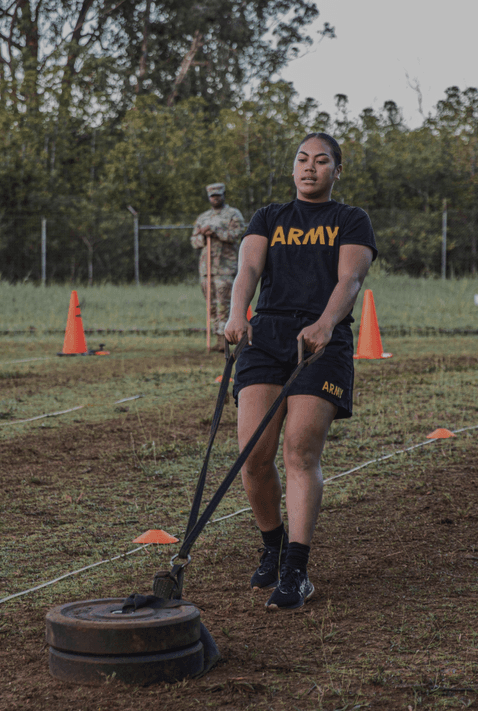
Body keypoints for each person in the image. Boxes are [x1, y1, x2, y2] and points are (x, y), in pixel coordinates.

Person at [224, 133, 377, 611]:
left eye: (322, 161)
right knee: (253, 455)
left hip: (321, 342)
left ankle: (296, 569)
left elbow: (349, 279)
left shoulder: (350, 220)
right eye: (302, 159)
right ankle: (272, 546)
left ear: (337, 170)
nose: (310, 168)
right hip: (266, 337)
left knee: (299, 450)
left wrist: (325, 324)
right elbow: (248, 269)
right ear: (293, 168)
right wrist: (236, 313)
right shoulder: (268, 217)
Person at [190, 183, 245, 351]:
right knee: (211, 305)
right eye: (212, 196)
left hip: (225, 267)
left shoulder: (232, 214)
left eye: (218, 195)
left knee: (224, 303)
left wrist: (216, 232)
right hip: (206, 269)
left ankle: (226, 340)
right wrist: (203, 235)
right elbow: (194, 241)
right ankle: (216, 339)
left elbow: (238, 234)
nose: (215, 199)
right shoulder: (203, 217)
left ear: (223, 195)